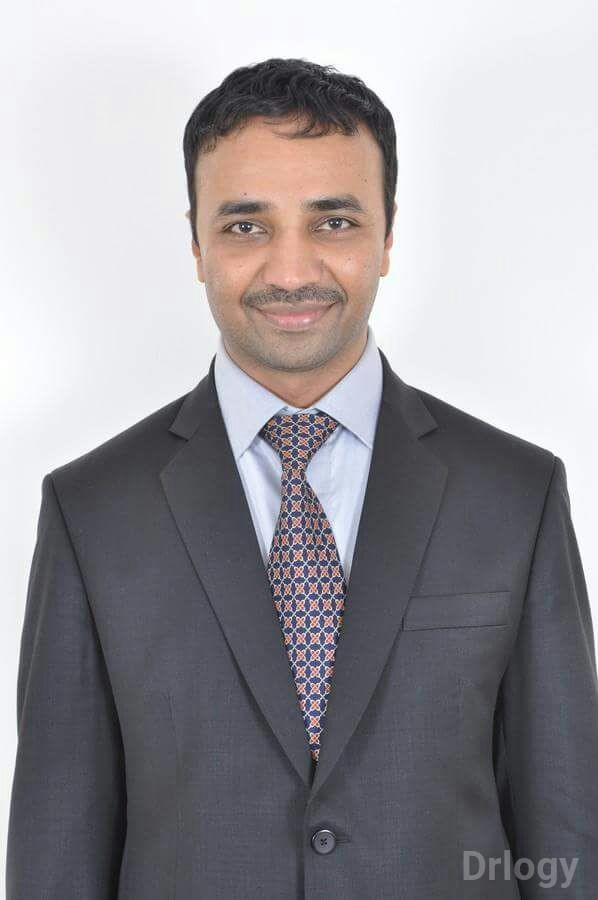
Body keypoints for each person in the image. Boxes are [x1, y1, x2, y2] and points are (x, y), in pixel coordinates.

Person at [6, 57, 598, 899]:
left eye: (334, 222)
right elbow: (56, 860)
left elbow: (567, 842)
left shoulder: (515, 495)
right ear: (197, 243)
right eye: (247, 225)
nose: (290, 272)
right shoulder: (92, 510)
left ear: (387, 237)